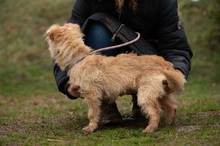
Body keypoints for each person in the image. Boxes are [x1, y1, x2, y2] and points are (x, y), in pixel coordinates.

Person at [53, 0, 193, 125]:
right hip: (104, 64)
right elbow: (64, 43)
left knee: (148, 68)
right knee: (97, 28)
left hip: (146, 58)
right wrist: (67, 84)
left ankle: (142, 95)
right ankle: (106, 104)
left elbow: (176, 45)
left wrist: (177, 71)